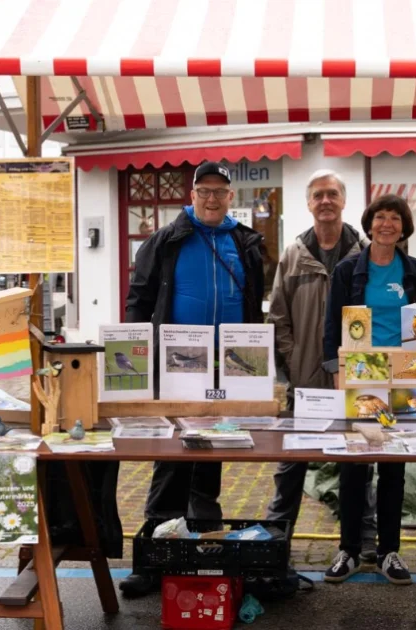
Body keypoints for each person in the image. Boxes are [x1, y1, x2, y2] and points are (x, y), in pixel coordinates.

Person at [120, 161, 266, 597]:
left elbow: (254, 302)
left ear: (230, 197)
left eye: (220, 191)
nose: (212, 199)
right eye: (204, 191)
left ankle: (202, 545)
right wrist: (138, 362)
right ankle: (155, 555)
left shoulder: (244, 241)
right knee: (171, 456)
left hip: (230, 367)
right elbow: (138, 300)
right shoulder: (167, 239)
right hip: (176, 365)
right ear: (193, 195)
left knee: (212, 452)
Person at [265, 170, 378, 562]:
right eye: (318, 195)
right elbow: (278, 316)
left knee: (359, 456)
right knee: (292, 459)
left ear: (344, 200)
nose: (325, 201)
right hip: (306, 376)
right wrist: (295, 359)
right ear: (309, 203)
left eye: (332, 194)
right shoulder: (293, 255)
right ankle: (277, 535)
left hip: (355, 375)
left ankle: (364, 536)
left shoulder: (365, 252)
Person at [322, 194, 416, 585]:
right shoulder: (348, 270)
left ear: (404, 227)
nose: (387, 224)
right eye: (380, 217)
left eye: (395, 218)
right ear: (369, 225)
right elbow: (333, 326)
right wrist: (337, 374)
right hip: (360, 376)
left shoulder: (415, 271)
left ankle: (389, 552)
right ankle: (349, 550)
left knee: (394, 466)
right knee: (353, 466)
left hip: (403, 377)